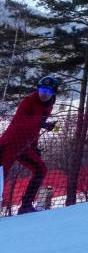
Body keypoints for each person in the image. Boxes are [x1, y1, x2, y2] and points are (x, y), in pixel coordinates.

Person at [0, 76, 60, 215]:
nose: (44, 94)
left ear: (53, 93)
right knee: (1, 176)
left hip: (24, 148)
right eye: (42, 90)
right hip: (9, 145)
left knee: (41, 169)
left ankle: (26, 205)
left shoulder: (48, 106)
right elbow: (20, 121)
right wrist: (41, 123)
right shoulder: (28, 101)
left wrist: (34, 148)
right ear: (38, 89)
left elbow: (34, 131)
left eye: (48, 92)